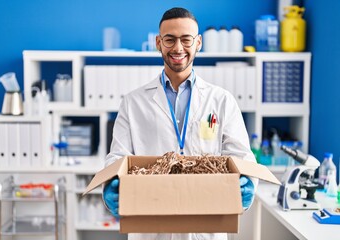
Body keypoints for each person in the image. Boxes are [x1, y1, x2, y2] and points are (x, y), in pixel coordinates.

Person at [103, 7, 257, 240]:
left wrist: (247, 185)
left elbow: (242, 157)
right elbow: (117, 157)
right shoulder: (133, 102)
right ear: (158, 42)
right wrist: (111, 184)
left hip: (206, 225)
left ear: (198, 43)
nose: (178, 48)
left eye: (186, 39)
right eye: (169, 39)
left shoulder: (221, 100)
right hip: (151, 225)